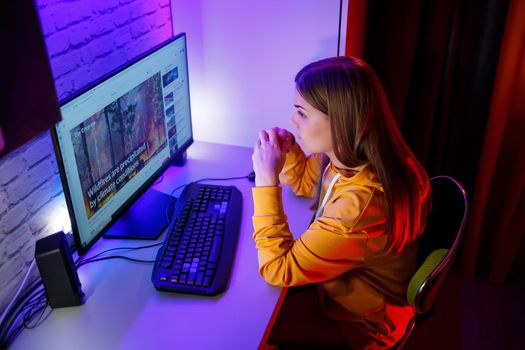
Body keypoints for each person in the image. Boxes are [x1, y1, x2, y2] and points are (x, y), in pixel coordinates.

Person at [251, 56, 431, 349]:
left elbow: (277, 269)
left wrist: (265, 180)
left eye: (302, 113)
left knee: (249, 330)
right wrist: (289, 152)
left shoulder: (360, 207)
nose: (292, 121)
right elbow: (308, 185)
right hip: (340, 290)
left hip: (359, 323)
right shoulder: (350, 157)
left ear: (342, 119)